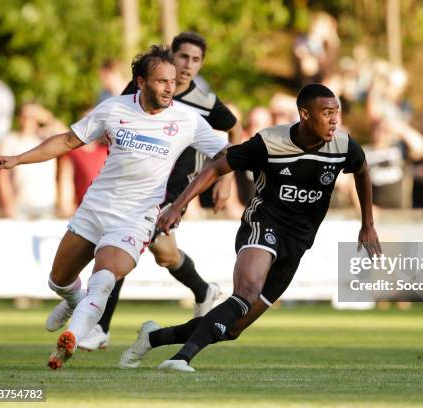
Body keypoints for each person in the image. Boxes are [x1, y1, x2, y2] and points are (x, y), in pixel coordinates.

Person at [0, 45, 229, 369]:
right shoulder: (113, 109)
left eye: (172, 81)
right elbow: (68, 140)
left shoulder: (186, 120)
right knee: (58, 280)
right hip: (95, 208)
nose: (170, 88)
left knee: (105, 277)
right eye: (160, 81)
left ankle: (71, 338)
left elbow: (227, 154)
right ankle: (73, 300)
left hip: (136, 217)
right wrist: (18, 159)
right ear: (140, 82)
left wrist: (207, 189)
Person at [118, 83, 381, 372]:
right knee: (247, 291)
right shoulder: (269, 142)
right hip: (263, 224)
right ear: (305, 114)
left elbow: (362, 171)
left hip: (298, 243)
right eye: (327, 113)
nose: (334, 119)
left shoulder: (343, 146)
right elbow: (217, 167)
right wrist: (179, 204)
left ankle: (152, 338)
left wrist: (367, 223)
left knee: (232, 327)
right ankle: (181, 358)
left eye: (337, 112)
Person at [76, 32, 242, 351]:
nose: (188, 66)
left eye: (196, 60)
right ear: (170, 56)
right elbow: (121, 114)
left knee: (120, 242)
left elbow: (233, 127)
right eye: (183, 57)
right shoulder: (145, 87)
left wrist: (226, 179)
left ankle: (99, 327)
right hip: (139, 184)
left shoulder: (205, 102)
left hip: (174, 189)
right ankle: (203, 290)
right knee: (165, 255)